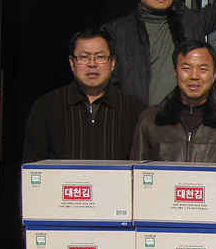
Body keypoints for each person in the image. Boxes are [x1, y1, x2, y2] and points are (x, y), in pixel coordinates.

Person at [22, 29, 143, 163]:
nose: (92, 64)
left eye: (100, 57)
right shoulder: (46, 107)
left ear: (112, 62)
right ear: (72, 63)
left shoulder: (134, 109)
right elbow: (32, 168)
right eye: (84, 57)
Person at [130, 40, 216, 163]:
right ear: (175, 72)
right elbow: (138, 174)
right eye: (186, 69)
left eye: (203, 70)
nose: (194, 76)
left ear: (214, 74)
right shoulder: (150, 120)